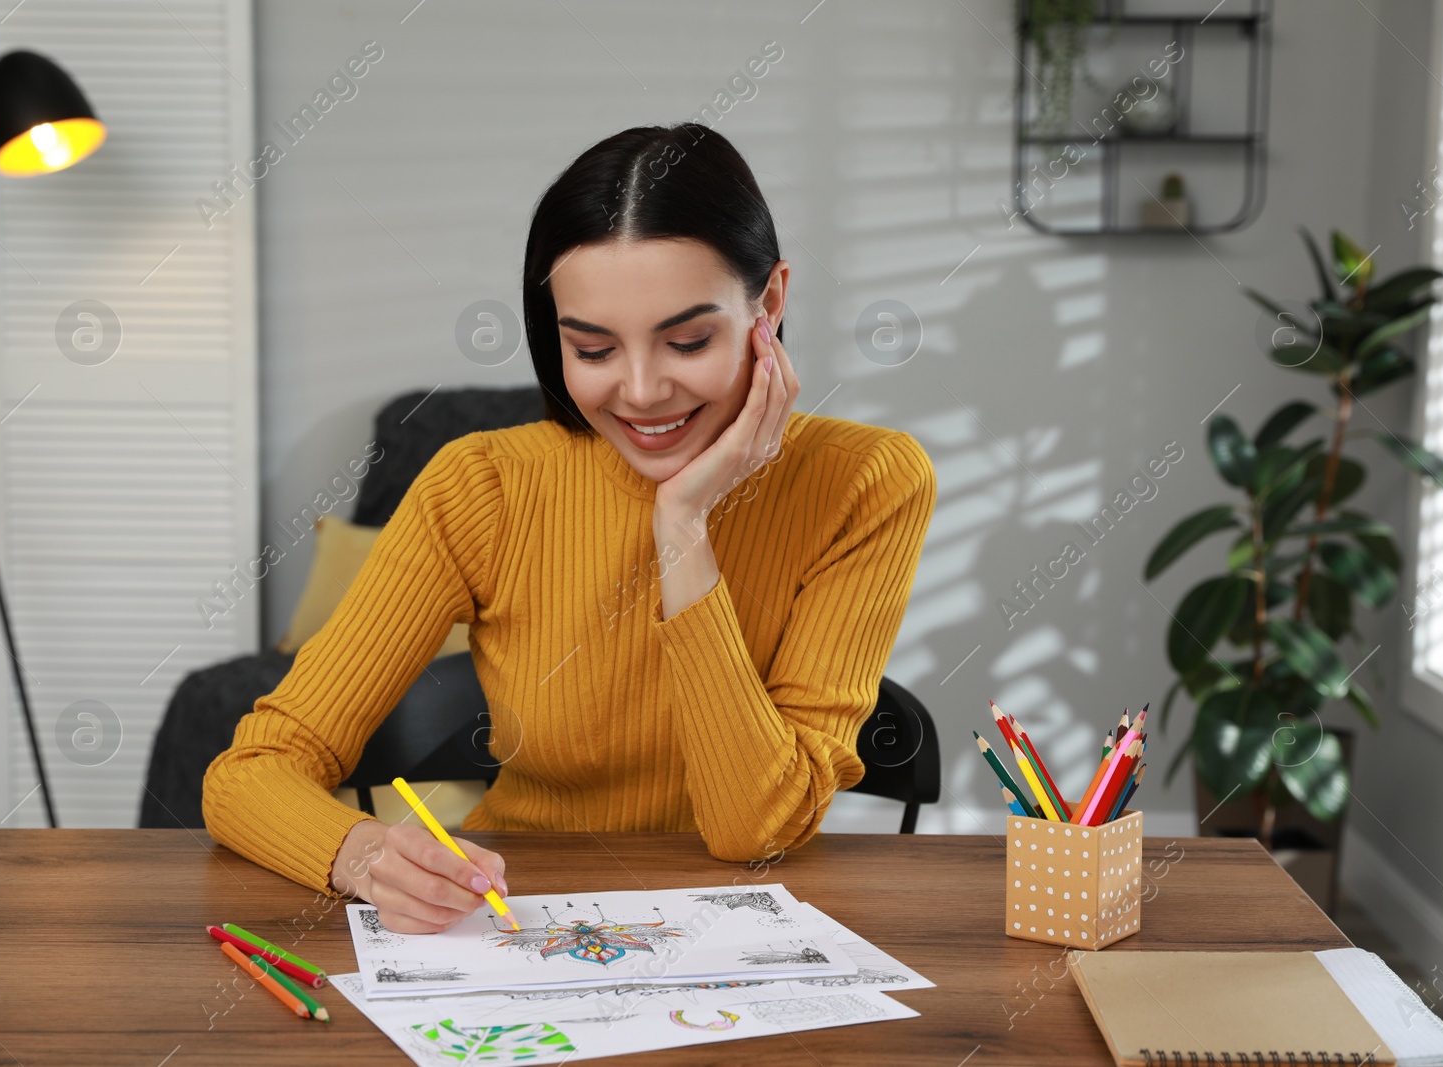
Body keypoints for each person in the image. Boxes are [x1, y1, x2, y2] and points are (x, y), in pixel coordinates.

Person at [202, 122, 937, 935]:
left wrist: (683, 525)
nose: (643, 390)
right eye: (592, 348)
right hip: (521, 924)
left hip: (747, 941)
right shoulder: (481, 485)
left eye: (687, 340)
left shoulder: (867, 482)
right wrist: (359, 852)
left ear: (769, 302)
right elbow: (250, 771)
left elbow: (750, 827)